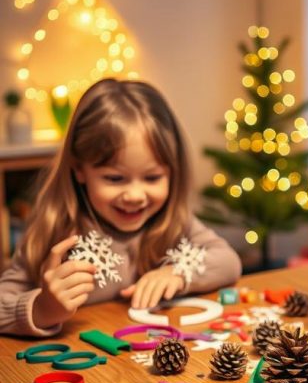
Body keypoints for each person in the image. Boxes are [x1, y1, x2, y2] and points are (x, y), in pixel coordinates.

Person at [0, 78, 242, 337]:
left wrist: (178, 273)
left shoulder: (172, 222)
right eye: (115, 179)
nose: (135, 196)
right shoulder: (55, 227)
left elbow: (229, 262)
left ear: (173, 172)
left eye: (152, 178)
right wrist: (43, 308)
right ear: (79, 169)